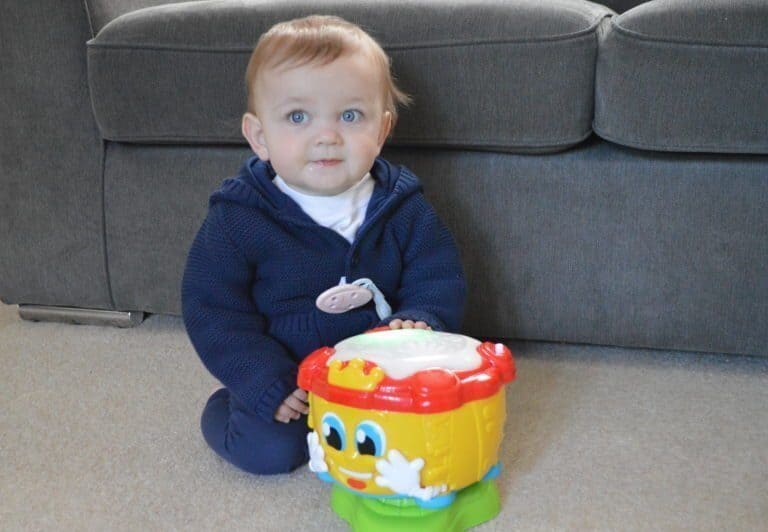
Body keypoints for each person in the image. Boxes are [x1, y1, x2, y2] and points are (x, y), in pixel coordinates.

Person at [181, 14, 466, 475]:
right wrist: (260, 381)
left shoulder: (403, 205)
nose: (327, 136)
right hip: (288, 376)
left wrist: (419, 320)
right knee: (269, 453)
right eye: (298, 117)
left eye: (350, 116)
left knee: (422, 444)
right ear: (259, 137)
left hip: (380, 373)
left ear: (382, 130)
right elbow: (212, 309)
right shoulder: (239, 218)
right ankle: (228, 406)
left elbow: (437, 274)